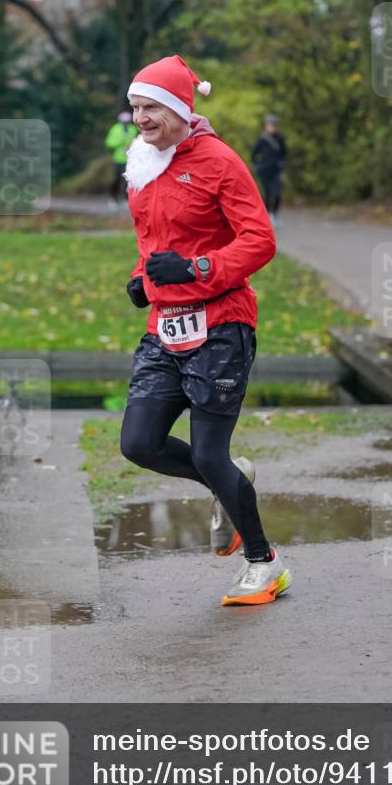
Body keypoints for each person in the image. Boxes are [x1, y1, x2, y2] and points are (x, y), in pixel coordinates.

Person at [119, 54, 292, 606]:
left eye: (150, 107)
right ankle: (227, 480)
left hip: (221, 322)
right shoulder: (142, 163)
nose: (140, 119)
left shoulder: (219, 161)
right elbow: (153, 243)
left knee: (209, 451)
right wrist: (143, 277)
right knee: (139, 443)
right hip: (164, 325)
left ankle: (265, 564)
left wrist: (196, 269)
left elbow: (259, 240)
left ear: (177, 107)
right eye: (135, 108)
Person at [251, 115, 287, 224]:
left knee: (277, 193)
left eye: (272, 125)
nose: (270, 127)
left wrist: (282, 163)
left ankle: (274, 214)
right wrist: (257, 165)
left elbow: (284, 153)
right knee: (266, 193)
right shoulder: (262, 139)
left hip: (275, 170)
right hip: (264, 171)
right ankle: (266, 216)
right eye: (268, 125)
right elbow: (254, 153)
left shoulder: (280, 138)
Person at [105, 111, 138, 203]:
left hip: (131, 158)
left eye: (127, 122)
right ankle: (113, 197)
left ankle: (127, 198)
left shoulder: (133, 129)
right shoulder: (115, 129)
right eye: (124, 122)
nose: (125, 123)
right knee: (117, 179)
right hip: (119, 158)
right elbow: (109, 143)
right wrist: (120, 142)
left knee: (129, 179)